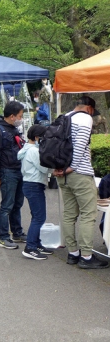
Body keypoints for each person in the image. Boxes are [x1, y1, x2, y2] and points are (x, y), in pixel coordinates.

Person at [54, 96, 108, 269]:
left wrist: (60, 169)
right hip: (79, 174)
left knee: (69, 214)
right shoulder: (85, 119)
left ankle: (73, 253)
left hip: (61, 174)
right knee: (88, 214)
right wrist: (71, 167)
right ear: (90, 108)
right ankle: (86, 256)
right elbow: (80, 146)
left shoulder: (65, 117)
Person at [0, 101, 27, 249]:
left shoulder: (12, 130)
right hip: (7, 171)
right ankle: (3, 237)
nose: (21, 119)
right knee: (7, 205)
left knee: (17, 204)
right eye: (20, 116)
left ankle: (17, 232)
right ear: (12, 116)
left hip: (17, 170)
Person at [17, 125, 53, 260]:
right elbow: (43, 168)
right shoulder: (33, 151)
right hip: (34, 185)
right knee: (39, 217)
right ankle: (30, 247)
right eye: (43, 137)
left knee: (37, 216)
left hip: (31, 184)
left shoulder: (28, 149)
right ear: (37, 137)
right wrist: (54, 167)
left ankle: (36, 244)